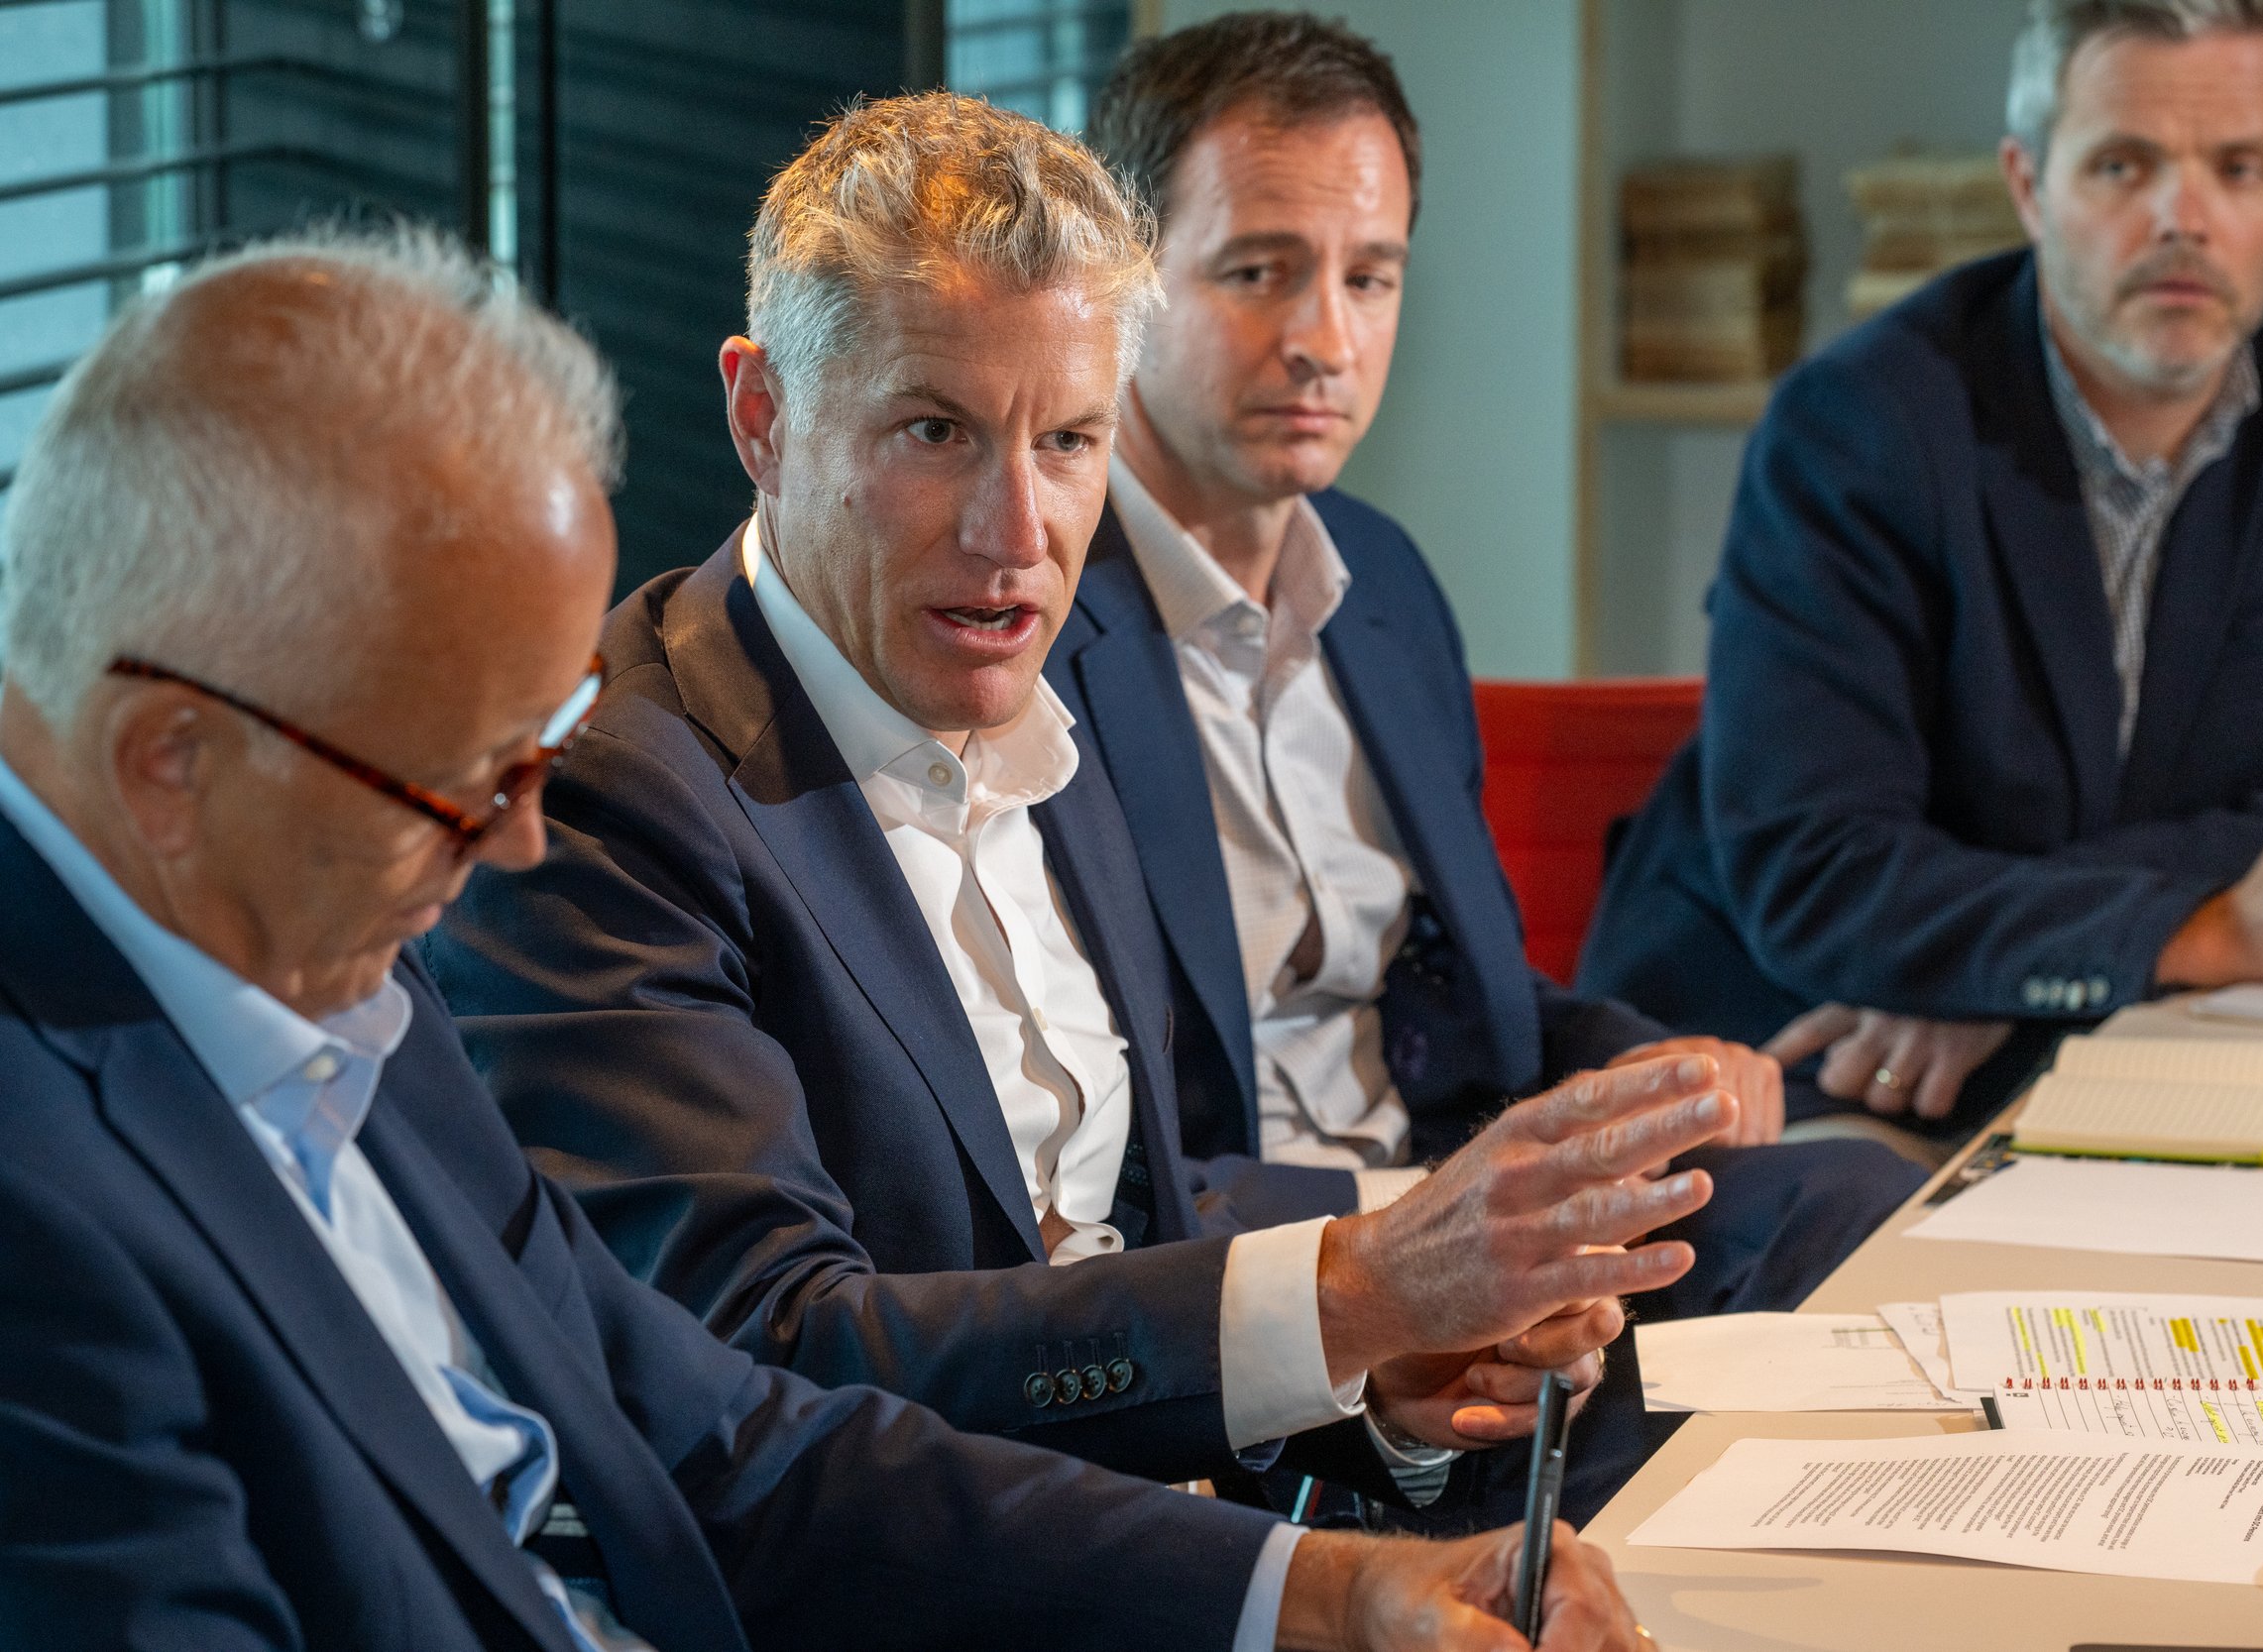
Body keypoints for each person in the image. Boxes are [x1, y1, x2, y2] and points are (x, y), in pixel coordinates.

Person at [0, 228, 1650, 1650]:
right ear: (169, 762)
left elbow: (729, 1442)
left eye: (1071, 438)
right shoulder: (48, 1204)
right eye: (461, 778)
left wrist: (1319, 1591)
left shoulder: (336, 988)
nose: (510, 833)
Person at [428, 92, 1730, 1523]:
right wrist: (1352, 1286)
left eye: (1067, 441)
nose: (1020, 535)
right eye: (935, 431)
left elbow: (1138, 1248)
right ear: (762, 415)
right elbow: (769, 1357)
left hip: (1158, 1541)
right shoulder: (614, 799)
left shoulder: (1038, 717)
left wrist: (1383, 1376)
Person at [1044, 12, 1926, 1518]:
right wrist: (1426, 1230)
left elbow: (1472, 1005)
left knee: (1868, 1204)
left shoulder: (1380, 582)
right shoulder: (1036, 622)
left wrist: (1638, 1069)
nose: (1326, 334)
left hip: (1471, 1192)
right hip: (1279, 1273)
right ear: (1126, 290)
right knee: (1696, 1433)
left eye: (1370, 276)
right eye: (1260, 270)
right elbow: (1089, 1152)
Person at [1580, 0, 2263, 1134]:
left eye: (2238, 168)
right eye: (2120, 164)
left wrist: (2004, 966)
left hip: (2091, 1036)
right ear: (2027, 184)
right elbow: (1819, 874)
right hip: (1797, 1059)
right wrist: (2193, 929)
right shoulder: (1856, 420)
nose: (2181, 218)